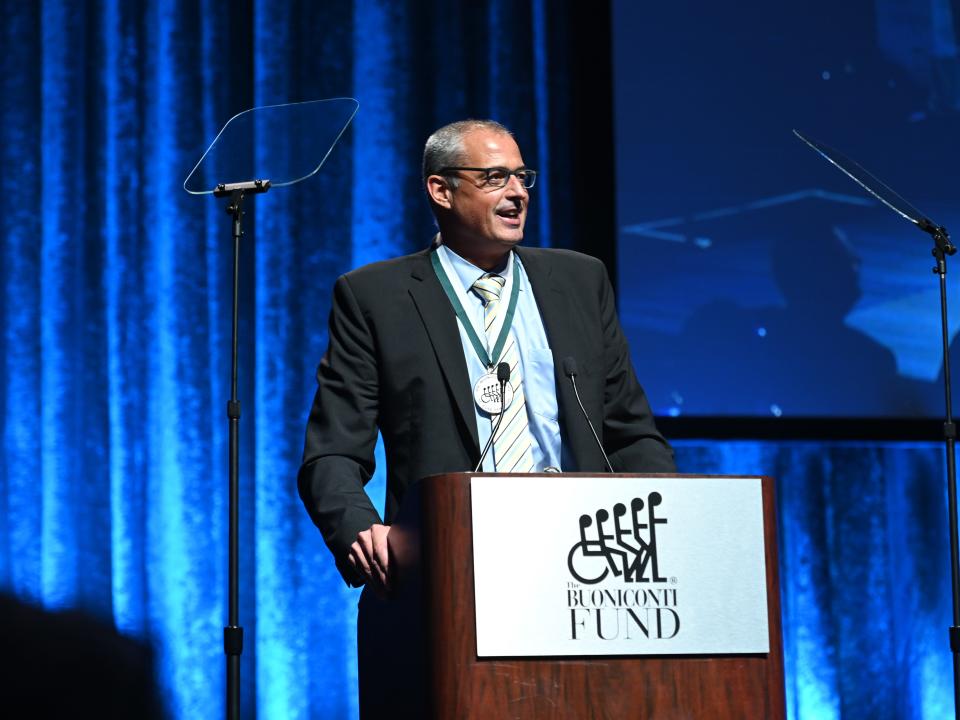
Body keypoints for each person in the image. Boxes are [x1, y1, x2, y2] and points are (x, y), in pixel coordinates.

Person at [297, 119, 675, 594]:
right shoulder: (376, 296)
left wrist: (664, 527)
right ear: (441, 190)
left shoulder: (579, 280)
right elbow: (332, 452)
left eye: (522, 177)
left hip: (585, 559)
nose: (518, 193)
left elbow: (629, 432)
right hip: (451, 560)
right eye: (496, 178)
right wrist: (360, 531)